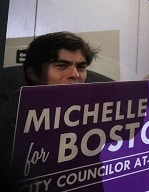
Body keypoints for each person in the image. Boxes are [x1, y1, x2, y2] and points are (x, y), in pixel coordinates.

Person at [0, 31, 100, 190]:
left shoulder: (94, 110)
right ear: (34, 73)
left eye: (81, 67)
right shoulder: (16, 111)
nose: (75, 75)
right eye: (62, 66)